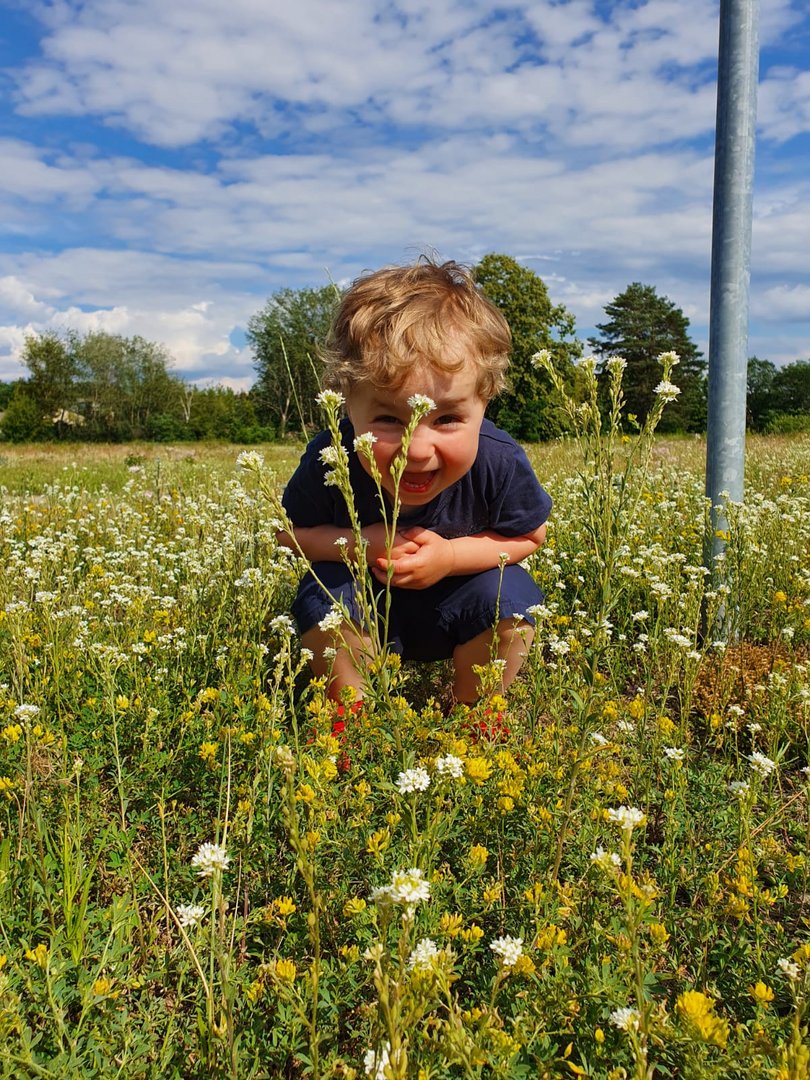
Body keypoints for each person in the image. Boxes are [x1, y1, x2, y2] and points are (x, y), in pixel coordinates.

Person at [277, 256, 551, 707]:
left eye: (446, 419)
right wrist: (358, 544)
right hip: (364, 609)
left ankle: (476, 715)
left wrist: (450, 556)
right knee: (326, 591)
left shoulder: (498, 459)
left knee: (513, 595)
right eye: (388, 418)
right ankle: (349, 722)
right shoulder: (333, 457)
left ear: (485, 402)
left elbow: (529, 535)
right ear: (347, 405)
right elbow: (288, 534)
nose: (416, 449)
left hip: (456, 606)